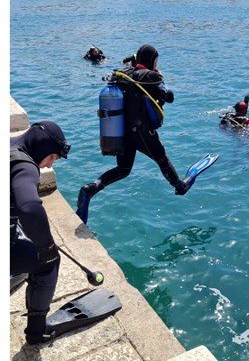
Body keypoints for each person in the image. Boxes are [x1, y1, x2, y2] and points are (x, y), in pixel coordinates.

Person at [76, 45, 186, 224]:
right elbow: (169, 96)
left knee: (123, 170)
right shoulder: (151, 76)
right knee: (162, 159)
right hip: (142, 132)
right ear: (151, 60)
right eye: (156, 60)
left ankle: (90, 189)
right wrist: (160, 76)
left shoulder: (125, 74)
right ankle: (179, 185)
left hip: (122, 131)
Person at [10, 121, 71, 344]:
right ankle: (37, 332)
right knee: (49, 261)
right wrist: (47, 247)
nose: (48, 166)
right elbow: (29, 209)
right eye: (52, 157)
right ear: (43, 148)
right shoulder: (25, 167)